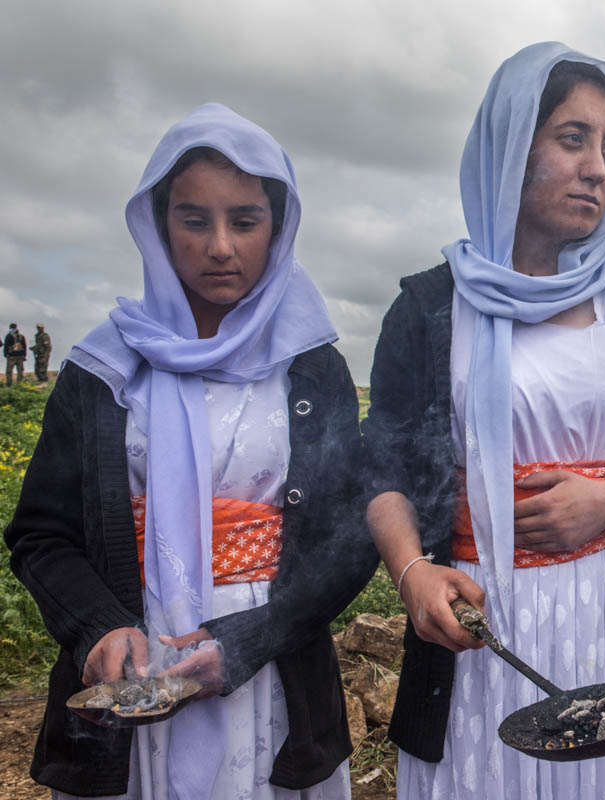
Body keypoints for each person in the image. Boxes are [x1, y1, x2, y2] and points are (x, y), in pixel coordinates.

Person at [362, 43, 605, 799]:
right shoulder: (431, 309)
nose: (599, 167)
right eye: (573, 139)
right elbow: (384, 468)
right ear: (510, 144)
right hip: (478, 625)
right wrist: (411, 573)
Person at [5, 103, 376, 799]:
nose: (220, 248)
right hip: (130, 677)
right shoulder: (101, 372)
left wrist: (249, 640)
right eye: (194, 219)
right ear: (157, 223)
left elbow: (348, 541)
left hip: (272, 674)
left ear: (278, 226)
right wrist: (99, 627)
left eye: (244, 220)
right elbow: (41, 536)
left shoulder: (309, 368)